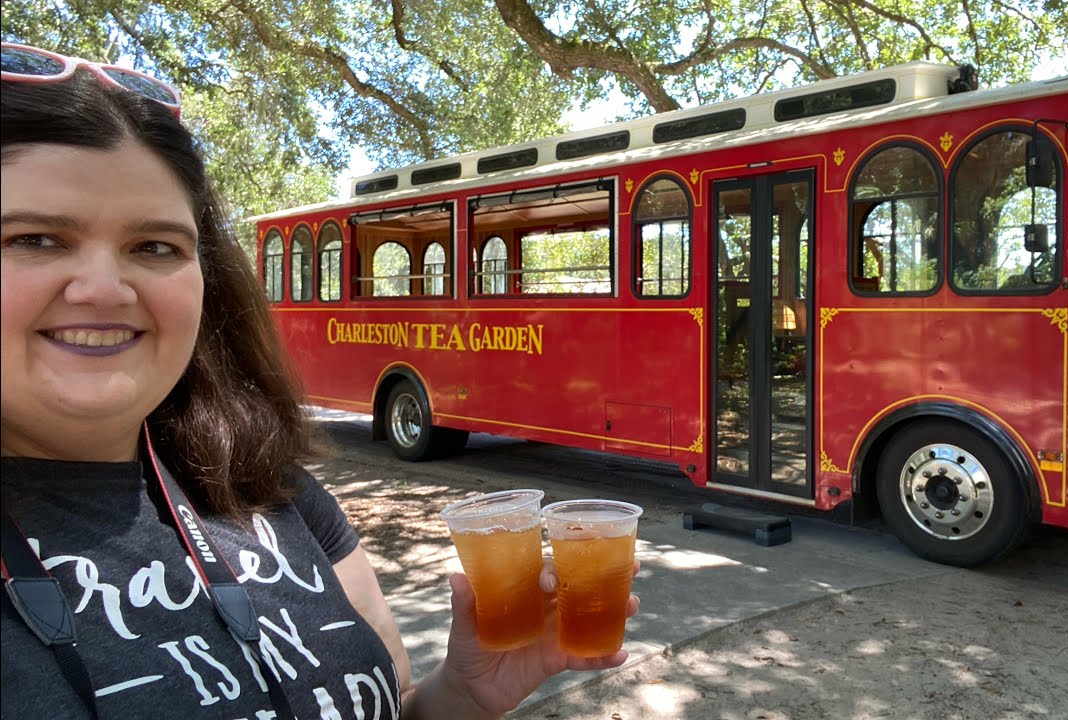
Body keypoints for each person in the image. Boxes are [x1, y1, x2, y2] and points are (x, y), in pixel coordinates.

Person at [0, 42, 637, 719]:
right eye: (35, 239)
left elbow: (396, 706)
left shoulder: (269, 487)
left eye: (154, 247)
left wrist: (468, 694)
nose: (104, 289)